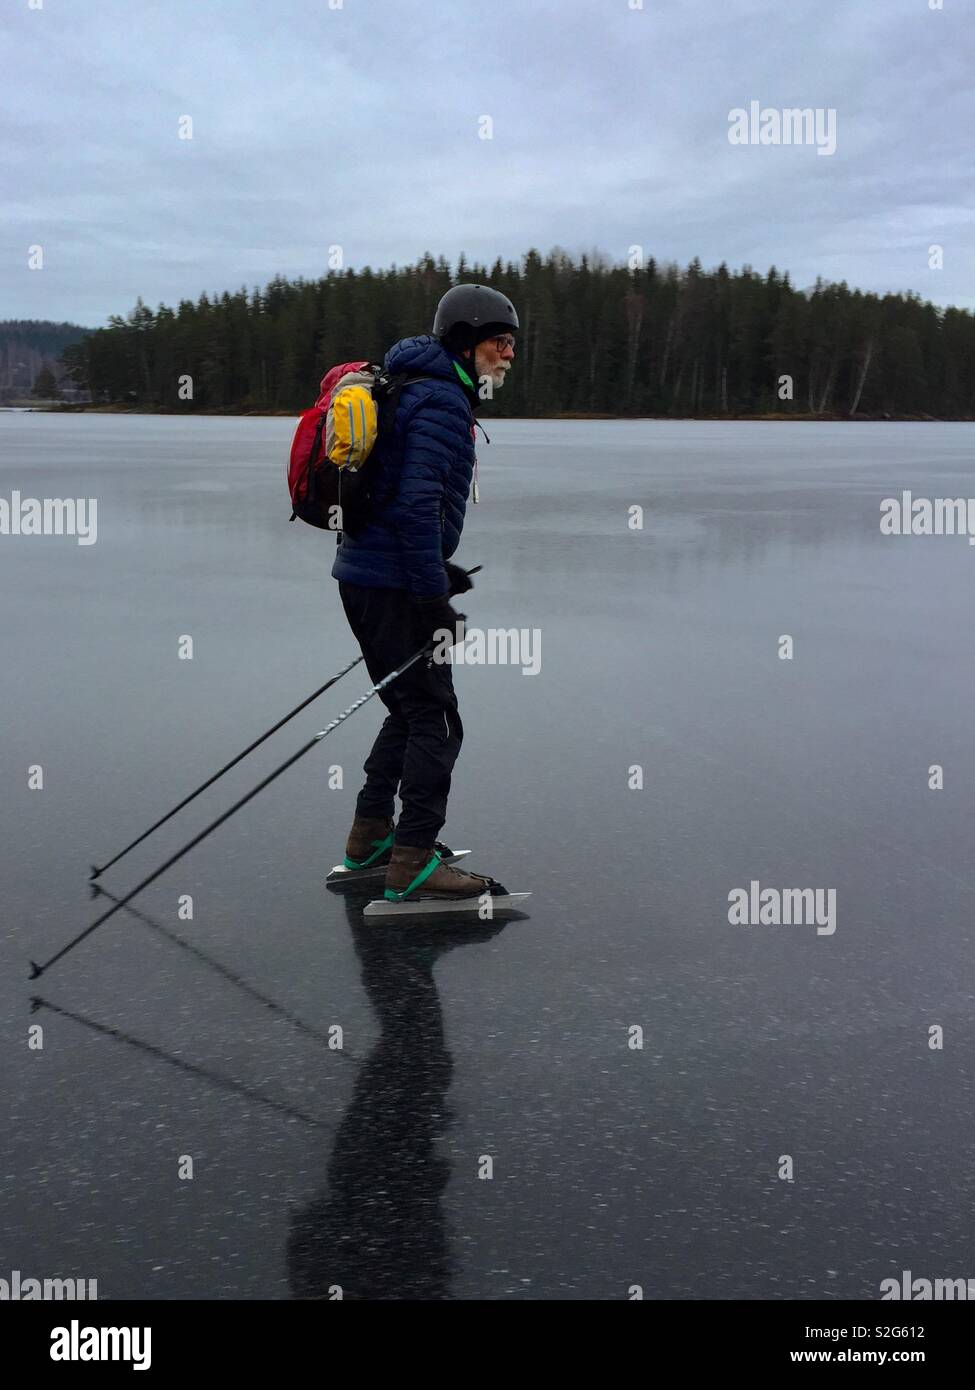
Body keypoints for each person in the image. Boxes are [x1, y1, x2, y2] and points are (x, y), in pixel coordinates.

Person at [333, 283, 518, 902]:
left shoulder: (412, 387)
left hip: (363, 574)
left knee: (406, 710)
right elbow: (415, 507)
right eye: (500, 342)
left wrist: (438, 570)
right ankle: (412, 861)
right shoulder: (440, 401)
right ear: (466, 341)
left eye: (512, 344)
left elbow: (400, 505)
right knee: (436, 718)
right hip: (391, 583)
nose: (508, 355)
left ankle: (370, 841)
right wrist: (430, 598)